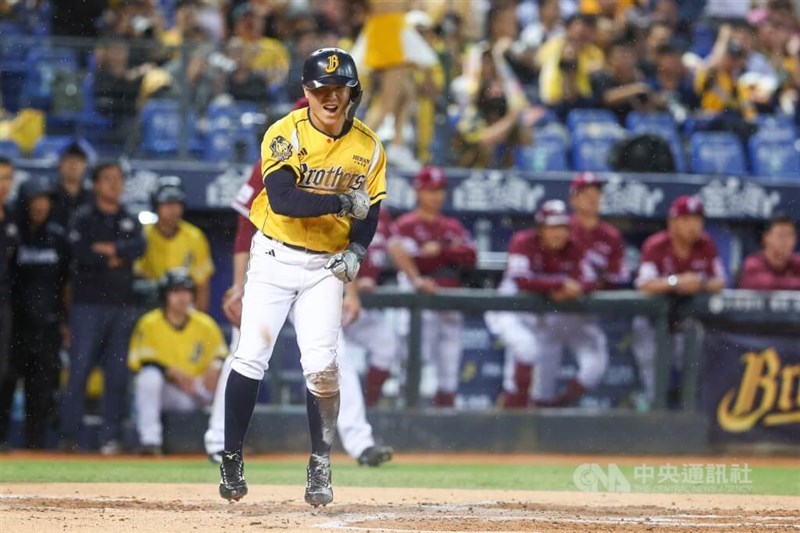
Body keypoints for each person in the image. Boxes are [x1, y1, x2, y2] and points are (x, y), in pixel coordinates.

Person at [218, 48, 386, 508]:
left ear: (353, 93)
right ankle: (231, 456)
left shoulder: (369, 146)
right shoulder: (284, 133)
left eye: (340, 89)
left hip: (326, 265)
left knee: (323, 367)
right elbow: (284, 199)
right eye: (321, 89)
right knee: (251, 355)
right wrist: (341, 203)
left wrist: (357, 250)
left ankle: (320, 463)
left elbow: (371, 212)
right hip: (274, 256)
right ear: (307, 92)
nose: (331, 97)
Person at [205, 158, 393, 468]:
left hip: (320, 268)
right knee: (244, 354)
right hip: (271, 266)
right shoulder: (276, 156)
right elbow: (246, 225)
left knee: (334, 354)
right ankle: (219, 441)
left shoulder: (340, 159)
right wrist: (239, 286)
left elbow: (347, 232)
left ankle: (361, 442)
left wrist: (351, 291)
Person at [59, 162, 146, 454]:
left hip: (122, 305)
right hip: (87, 304)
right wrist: (115, 255)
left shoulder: (129, 218)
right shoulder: (83, 217)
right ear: (95, 184)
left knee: (117, 374)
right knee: (79, 370)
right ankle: (70, 436)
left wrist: (108, 250)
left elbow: (139, 248)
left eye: (118, 179)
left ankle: (111, 437)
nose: (114, 184)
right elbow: (80, 252)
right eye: (107, 179)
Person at [489, 200, 604, 408]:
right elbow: (521, 280)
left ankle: (519, 411)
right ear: (541, 228)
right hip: (511, 310)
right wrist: (560, 283)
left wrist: (576, 288)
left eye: (563, 227)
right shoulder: (523, 242)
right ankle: (514, 412)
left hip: (542, 316)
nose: (558, 233)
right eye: (552, 227)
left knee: (542, 385)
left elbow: (590, 280)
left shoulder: (574, 246)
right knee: (526, 348)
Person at [387, 167, 477, 407]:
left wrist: (440, 250)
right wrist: (445, 253)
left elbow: (471, 256)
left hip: (448, 300)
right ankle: (409, 415)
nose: (436, 196)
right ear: (418, 191)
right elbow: (409, 258)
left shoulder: (452, 225)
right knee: (416, 361)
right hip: (418, 301)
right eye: (430, 190)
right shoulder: (406, 224)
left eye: (440, 190)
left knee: (449, 366)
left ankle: (445, 420)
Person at [632, 196, 726, 406]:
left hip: (687, 322)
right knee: (652, 368)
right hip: (653, 322)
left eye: (697, 219)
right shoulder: (656, 245)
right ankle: (654, 412)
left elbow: (720, 282)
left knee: (697, 365)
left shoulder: (706, 245)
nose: (693, 225)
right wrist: (676, 282)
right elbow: (644, 285)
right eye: (686, 219)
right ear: (672, 222)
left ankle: (691, 412)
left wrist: (701, 283)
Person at [0, 177, 69, 449]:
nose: (40, 206)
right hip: (15, 323)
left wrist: (65, 320)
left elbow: (67, 283)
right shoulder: (13, 232)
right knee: (6, 381)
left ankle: (35, 445)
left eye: (45, 201)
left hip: (47, 324)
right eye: (35, 201)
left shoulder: (58, 237)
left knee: (40, 386)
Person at [129, 268, 226, 456]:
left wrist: (217, 364)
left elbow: (222, 354)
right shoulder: (149, 323)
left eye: (186, 291)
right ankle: (150, 442)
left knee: (229, 373)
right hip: (171, 392)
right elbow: (141, 362)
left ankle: (230, 443)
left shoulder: (205, 324)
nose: (182, 297)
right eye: (176, 291)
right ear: (165, 295)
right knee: (148, 378)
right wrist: (170, 372)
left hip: (200, 388)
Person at [353, 0, 438, 170]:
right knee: (387, 104)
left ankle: (398, 145)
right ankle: (357, 150)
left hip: (393, 27)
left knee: (406, 92)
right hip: (388, 31)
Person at [135, 175, 214, 311]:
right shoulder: (144, 234)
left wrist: (199, 317)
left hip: (184, 302)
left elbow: (202, 285)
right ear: (156, 205)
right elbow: (138, 273)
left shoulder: (195, 236)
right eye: (167, 203)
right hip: (152, 303)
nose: (172, 209)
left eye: (176, 203)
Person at [0, 157, 18, 448]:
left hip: (3, 301)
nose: (3, 184)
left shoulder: (13, 216)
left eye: (7, 178)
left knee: (3, 370)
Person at [739, 213, 800, 290]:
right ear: (766, 238)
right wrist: (792, 282)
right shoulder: (753, 263)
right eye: (780, 235)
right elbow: (765, 284)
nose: (786, 241)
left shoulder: (797, 262)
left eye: (790, 235)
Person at [50, 141, 92, 228]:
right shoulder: (49, 196)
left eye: (78, 161)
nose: (73, 165)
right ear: (60, 165)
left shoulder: (93, 198)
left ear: (85, 166)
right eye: (69, 160)